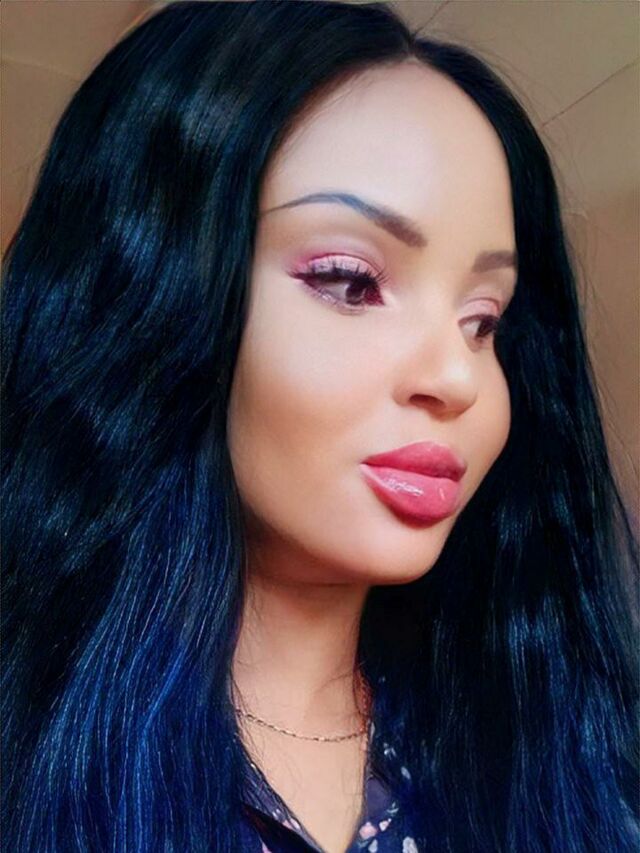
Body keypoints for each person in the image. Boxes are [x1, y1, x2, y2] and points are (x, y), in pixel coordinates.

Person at [1, 2, 638, 851]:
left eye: (484, 321)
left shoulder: (559, 752)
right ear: (149, 296)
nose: (458, 378)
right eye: (349, 281)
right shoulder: (32, 753)